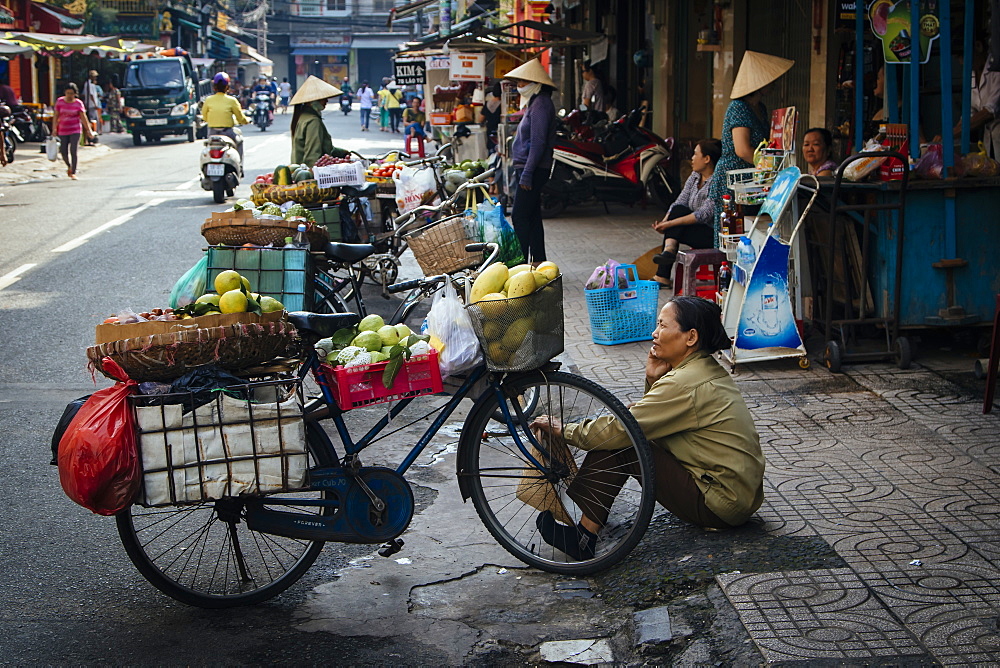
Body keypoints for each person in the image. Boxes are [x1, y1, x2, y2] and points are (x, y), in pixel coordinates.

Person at [531, 296, 764, 559]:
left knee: (624, 438)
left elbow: (626, 429)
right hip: (736, 496)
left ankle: (584, 537)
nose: (654, 333)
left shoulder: (685, 383)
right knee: (628, 425)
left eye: (663, 326)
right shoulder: (701, 370)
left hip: (720, 503)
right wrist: (653, 379)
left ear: (691, 337)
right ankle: (592, 518)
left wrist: (566, 431)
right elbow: (653, 417)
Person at [708, 51, 794, 241]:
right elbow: (743, 150)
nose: (774, 84)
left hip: (753, 178)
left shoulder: (760, 108)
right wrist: (769, 168)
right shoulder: (738, 107)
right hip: (735, 178)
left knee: (753, 230)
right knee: (733, 234)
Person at [505, 58, 558, 263]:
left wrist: (527, 173)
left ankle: (520, 264)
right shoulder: (536, 103)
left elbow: (538, 142)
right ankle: (538, 261)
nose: (519, 87)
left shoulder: (541, 104)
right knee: (533, 217)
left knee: (520, 216)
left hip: (533, 169)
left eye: (522, 83)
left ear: (535, 83)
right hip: (530, 168)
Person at [651, 139, 722, 288]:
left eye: (695, 154)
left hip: (711, 234)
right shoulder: (695, 176)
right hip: (694, 229)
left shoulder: (717, 182)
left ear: (707, 159)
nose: (692, 158)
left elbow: (704, 214)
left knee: (675, 227)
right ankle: (668, 252)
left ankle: (664, 269)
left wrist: (669, 224)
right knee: (678, 211)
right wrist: (665, 221)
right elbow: (679, 202)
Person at [290, 75, 348, 166]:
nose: (326, 101)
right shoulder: (313, 121)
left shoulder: (303, 116)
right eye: (323, 99)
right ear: (312, 101)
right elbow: (312, 155)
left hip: (297, 168)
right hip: (306, 172)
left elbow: (325, 147)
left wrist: (341, 153)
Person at [200, 73, 249, 163]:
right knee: (240, 141)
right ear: (227, 87)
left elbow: (205, 117)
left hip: (212, 133)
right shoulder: (232, 100)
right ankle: (240, 165)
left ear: (214, 87)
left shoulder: (208, 100)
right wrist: (247, 121)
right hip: (228, 132)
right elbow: (241, 118)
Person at [53, 82, 93, 179]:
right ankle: (69, 166)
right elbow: (56, 116)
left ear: (75, 93)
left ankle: (73, 172)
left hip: (75, 129)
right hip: (63, 130)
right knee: (63, 151)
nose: (70, 95)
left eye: (72, 93)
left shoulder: (78, 103)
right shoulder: (60, 102)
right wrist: (54, 128)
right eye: (68, 93)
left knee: (73, 151)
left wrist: (89, 130)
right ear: (65, 93)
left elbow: (83, 118)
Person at [479, 81, 502, 154]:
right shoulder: (503, 105)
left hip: (490, 131)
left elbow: (480, 119)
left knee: (492, 153)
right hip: (500, 131)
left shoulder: (488, 104)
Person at [82, 70, 102, 144]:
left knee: (94, 120)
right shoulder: (89, 84)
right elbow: (90, 95)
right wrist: (95, 104)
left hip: (91, 105)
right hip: (91, 105)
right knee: (93, 120)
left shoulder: (90, 84)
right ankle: (92, 135)